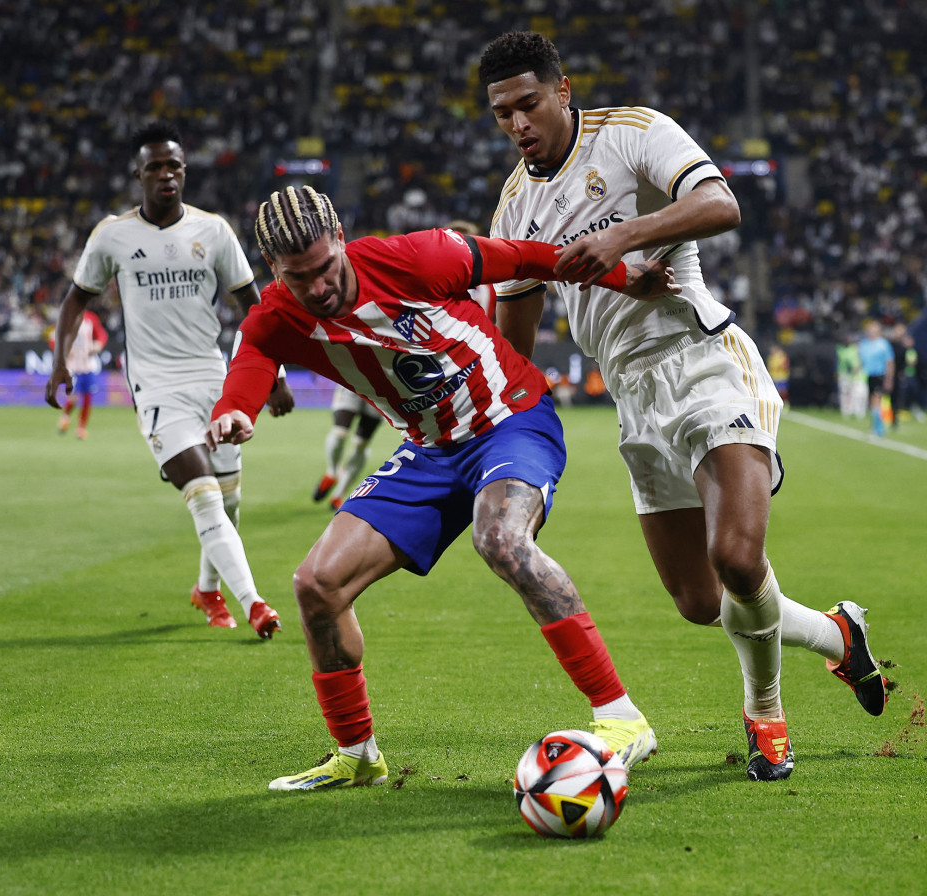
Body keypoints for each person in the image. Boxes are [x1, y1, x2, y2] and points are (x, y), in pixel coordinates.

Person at [479, 31, 890, 783]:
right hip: (632, 402)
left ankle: (764, 712)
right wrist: (510, 431)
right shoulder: (514, 206)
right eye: (501, 113)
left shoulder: (634, 133)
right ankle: (839, 634)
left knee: (738, 559)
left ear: (562, 91)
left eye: (528, 105)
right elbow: (516, 341)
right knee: (701, 601)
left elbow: (720, 203)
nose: (516, 125)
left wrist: (623, 238)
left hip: (703, 364)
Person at [208, 186, 677, 790]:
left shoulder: (420, 257)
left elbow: (527, 257)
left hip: (510, 420)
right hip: (429, 452)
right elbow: (249, 363)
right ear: (274, 270)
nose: (319, 287)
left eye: (325, 268)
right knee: (317, 585)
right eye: (300, 278)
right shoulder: (276, 315)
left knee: (501, 539)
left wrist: (625, 278)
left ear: (342, 240)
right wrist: (235, 410)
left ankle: (622, 718)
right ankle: (357, 754)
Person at [45, 120, 293, 639]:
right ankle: (255, 605)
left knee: (229, 500)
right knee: (204, 494)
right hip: (157, 387)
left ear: (185, 172)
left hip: (214, 380)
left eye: (173, 166)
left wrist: (276, 374)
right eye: (155, 166)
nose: (165, 175)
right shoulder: (113, 236)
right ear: (138, 174)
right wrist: (61, 362)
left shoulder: (214, 232)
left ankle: (207, 590)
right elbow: (76, 299)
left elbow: (255, 307)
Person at [312, 383, 385, 511]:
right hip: (351, 378)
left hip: (379, 386)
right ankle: (332, 472)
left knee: (361, 443)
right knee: (340, 432)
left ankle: (339, 494)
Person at [52, 307, 108, 439]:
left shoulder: (90, 318)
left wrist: (98, 344)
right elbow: (54, 337)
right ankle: (65, 417)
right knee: (74, 396)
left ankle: (81, 428)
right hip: (73, 366)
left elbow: (101, 334)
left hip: (88, 365)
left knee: (88, 397)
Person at [858, 320, 895, 436]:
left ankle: (879, 429)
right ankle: (875, 426)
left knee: (876, 400)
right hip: (868, 375)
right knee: (872, 402)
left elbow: (890, 362)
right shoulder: (864, 344)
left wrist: (889, 379)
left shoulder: (883, 344)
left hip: (880, 375)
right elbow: (862, 360)